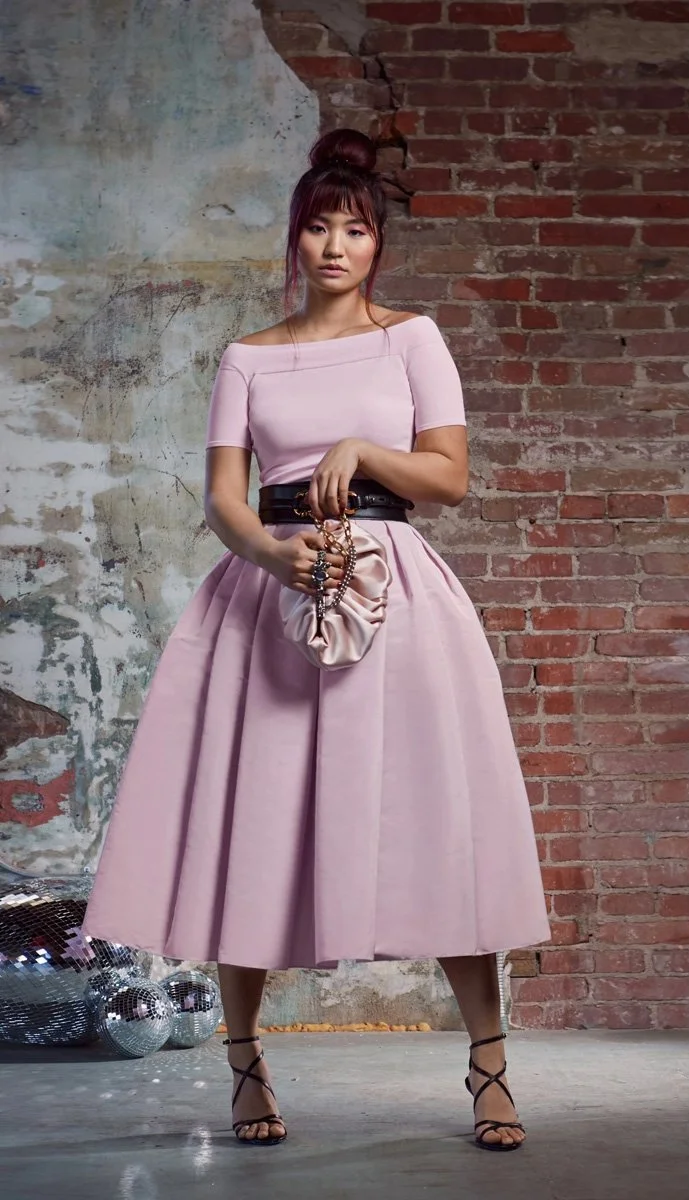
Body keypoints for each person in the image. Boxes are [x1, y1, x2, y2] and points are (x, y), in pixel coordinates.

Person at [82, 127, 551, 1152]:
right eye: (317, 228)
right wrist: (272, 558)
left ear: (378, 244)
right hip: (272, 596)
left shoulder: (413, 339)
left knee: (441, 824)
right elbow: (221, 499)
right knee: (254, 830)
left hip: (399, 589)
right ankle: (246, 1068)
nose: (335, 246)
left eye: (355, 229)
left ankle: (489, 1069)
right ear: (293, 241)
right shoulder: (247, 357)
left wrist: (362, 449)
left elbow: (450, 477)